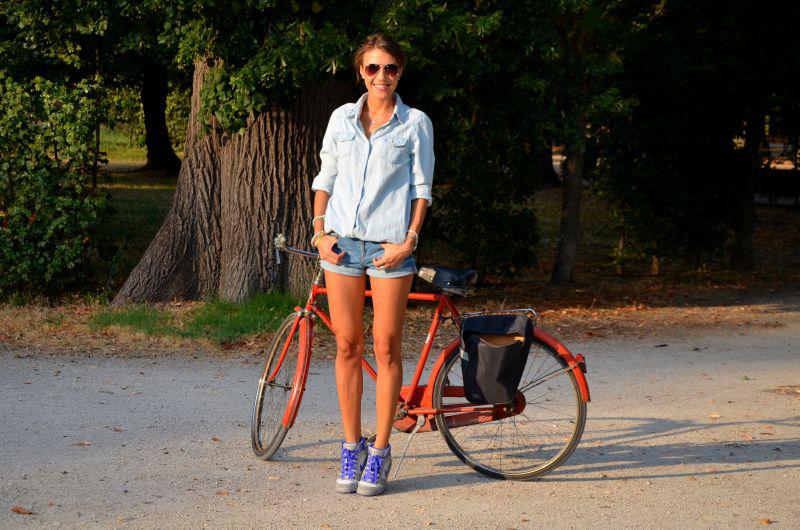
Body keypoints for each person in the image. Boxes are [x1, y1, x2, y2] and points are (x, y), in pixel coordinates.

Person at [310, 33, 434, 496]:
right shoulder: (341, 118)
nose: (382, 76)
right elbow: (326, 177)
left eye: (390, 68)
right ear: (360, 71)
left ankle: (380, 450)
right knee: (347, 345)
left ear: (400, 72)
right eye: (373, 68)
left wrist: (408, 241)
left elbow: (422, 189)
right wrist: (320, 232)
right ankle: (351, 446)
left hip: (390, 248)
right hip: (342, 246)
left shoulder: (415, 123)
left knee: (385, 347)